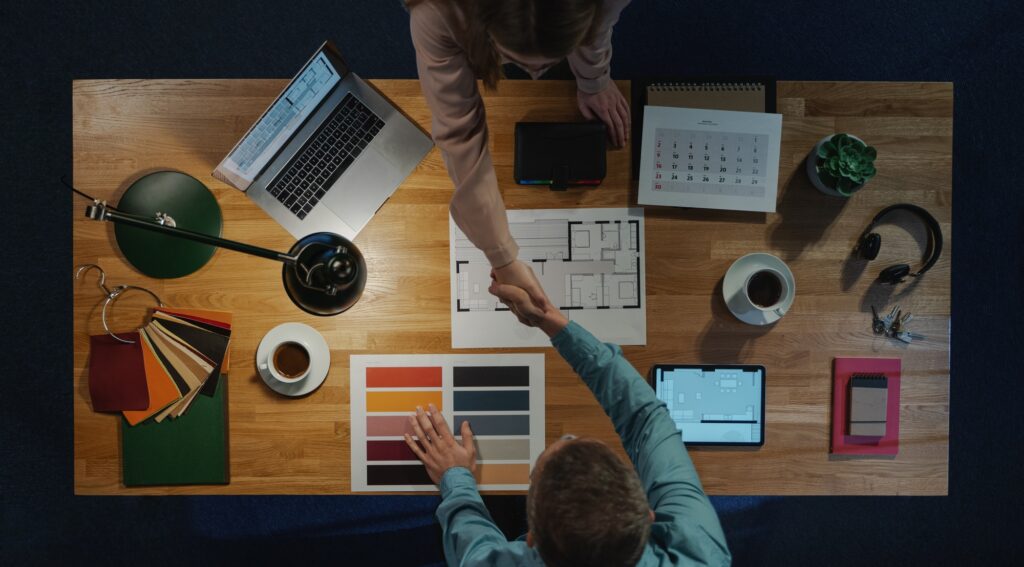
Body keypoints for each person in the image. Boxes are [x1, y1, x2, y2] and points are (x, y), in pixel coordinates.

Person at [403, 281, 732, 566]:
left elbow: (472, 551)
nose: (567, 437)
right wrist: (553, 322)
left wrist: (455, 478)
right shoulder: (698, 554)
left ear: (530, 539)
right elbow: (645, 417)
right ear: (648, 517)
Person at [406, 0, 632, 308]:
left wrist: (595, 80)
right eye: (514, 60)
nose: (535, 75)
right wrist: (502, 258)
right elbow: (460, 134)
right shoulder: (438, 11)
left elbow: (599, 25)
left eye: (548, 63)